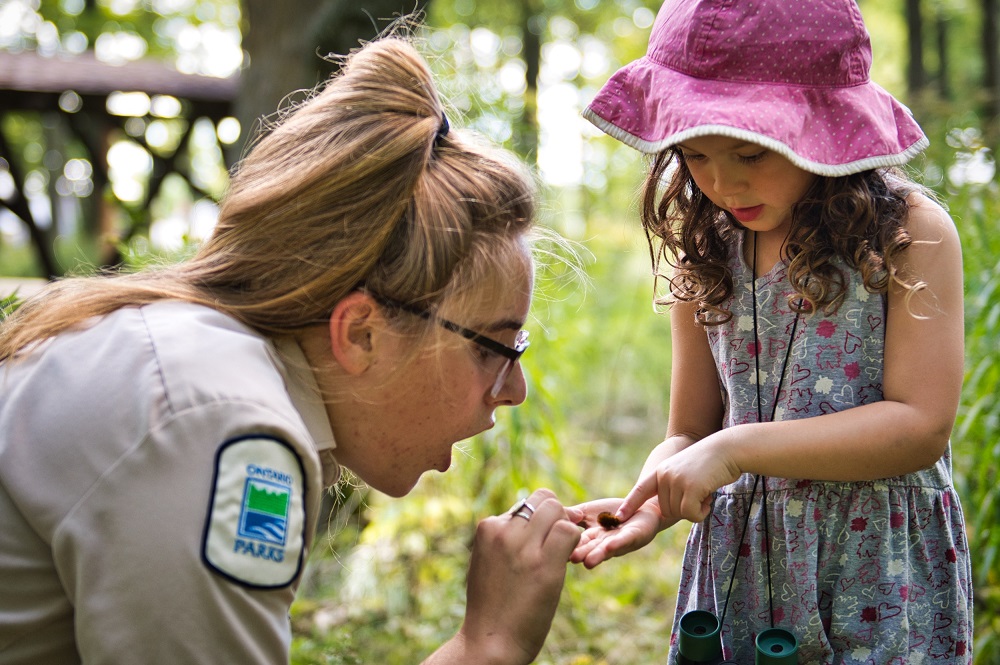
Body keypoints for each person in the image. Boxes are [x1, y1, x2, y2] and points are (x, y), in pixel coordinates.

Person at [0, 36, 583, 665]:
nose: (514, 388)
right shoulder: (217, 428)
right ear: (362, 333)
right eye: (493, 347)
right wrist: (485, 647)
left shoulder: (199, 368)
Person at [570, 0, 972, 663]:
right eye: (694, 153)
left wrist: (737, 449)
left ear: (825, 123)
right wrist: (656, 496)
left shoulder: (909, 235)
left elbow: (920, 424)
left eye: (751, 150)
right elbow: (690, 431)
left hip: (876, 573)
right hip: (743, 568)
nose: (723, 181)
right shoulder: (707, 246)